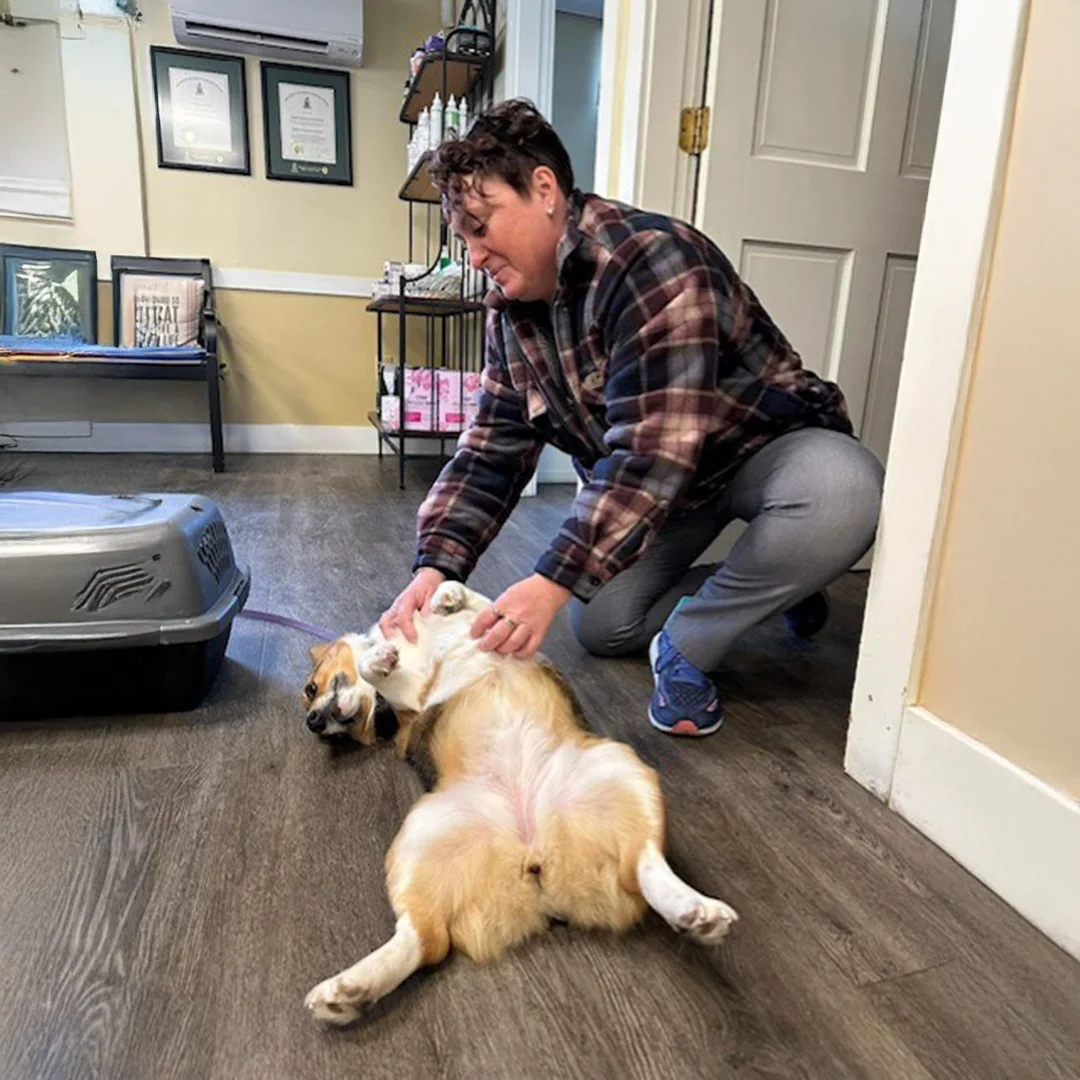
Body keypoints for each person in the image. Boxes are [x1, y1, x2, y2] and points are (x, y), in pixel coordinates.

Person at [380, 99, 883, 737]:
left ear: (544, 190)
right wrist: (436, 566)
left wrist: (551, 581)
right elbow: (492, 449)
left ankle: (691, 642)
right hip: (671, 495)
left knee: (843, 493)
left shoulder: (652, 261)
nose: (475, 256)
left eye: (482, 227)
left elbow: (651, 454)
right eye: (464, 239)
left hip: (761, 450)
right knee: (603, 625)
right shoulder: (509, 313)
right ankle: (777, 584)